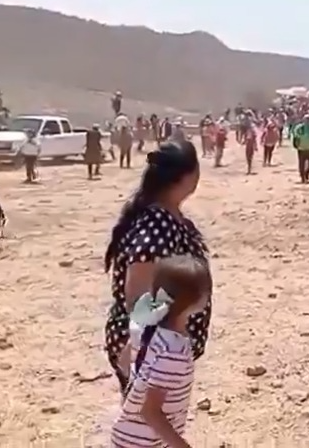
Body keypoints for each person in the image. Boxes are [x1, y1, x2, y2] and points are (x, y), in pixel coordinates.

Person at [103, 141, 212, 395]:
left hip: (161, 350)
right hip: (151, 352)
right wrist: (137, 353)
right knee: (147, 419)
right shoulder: (157, 225)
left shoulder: (168, 216)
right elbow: (138, 298)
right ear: (188, 176)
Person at [111, 255, 211, 448]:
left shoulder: (149, 327)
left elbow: (124, 363)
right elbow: (150, 412)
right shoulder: (174, 351)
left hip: (131, 435)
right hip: (143, 443)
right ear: (197, 300)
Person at [292, 115, 309, 183]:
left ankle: (306, 174)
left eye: (308, 119)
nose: (307, 121)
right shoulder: (299, 128)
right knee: (301, 164)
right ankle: (302, 177)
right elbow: (295, 136)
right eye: (306, 119)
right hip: (301, 148)